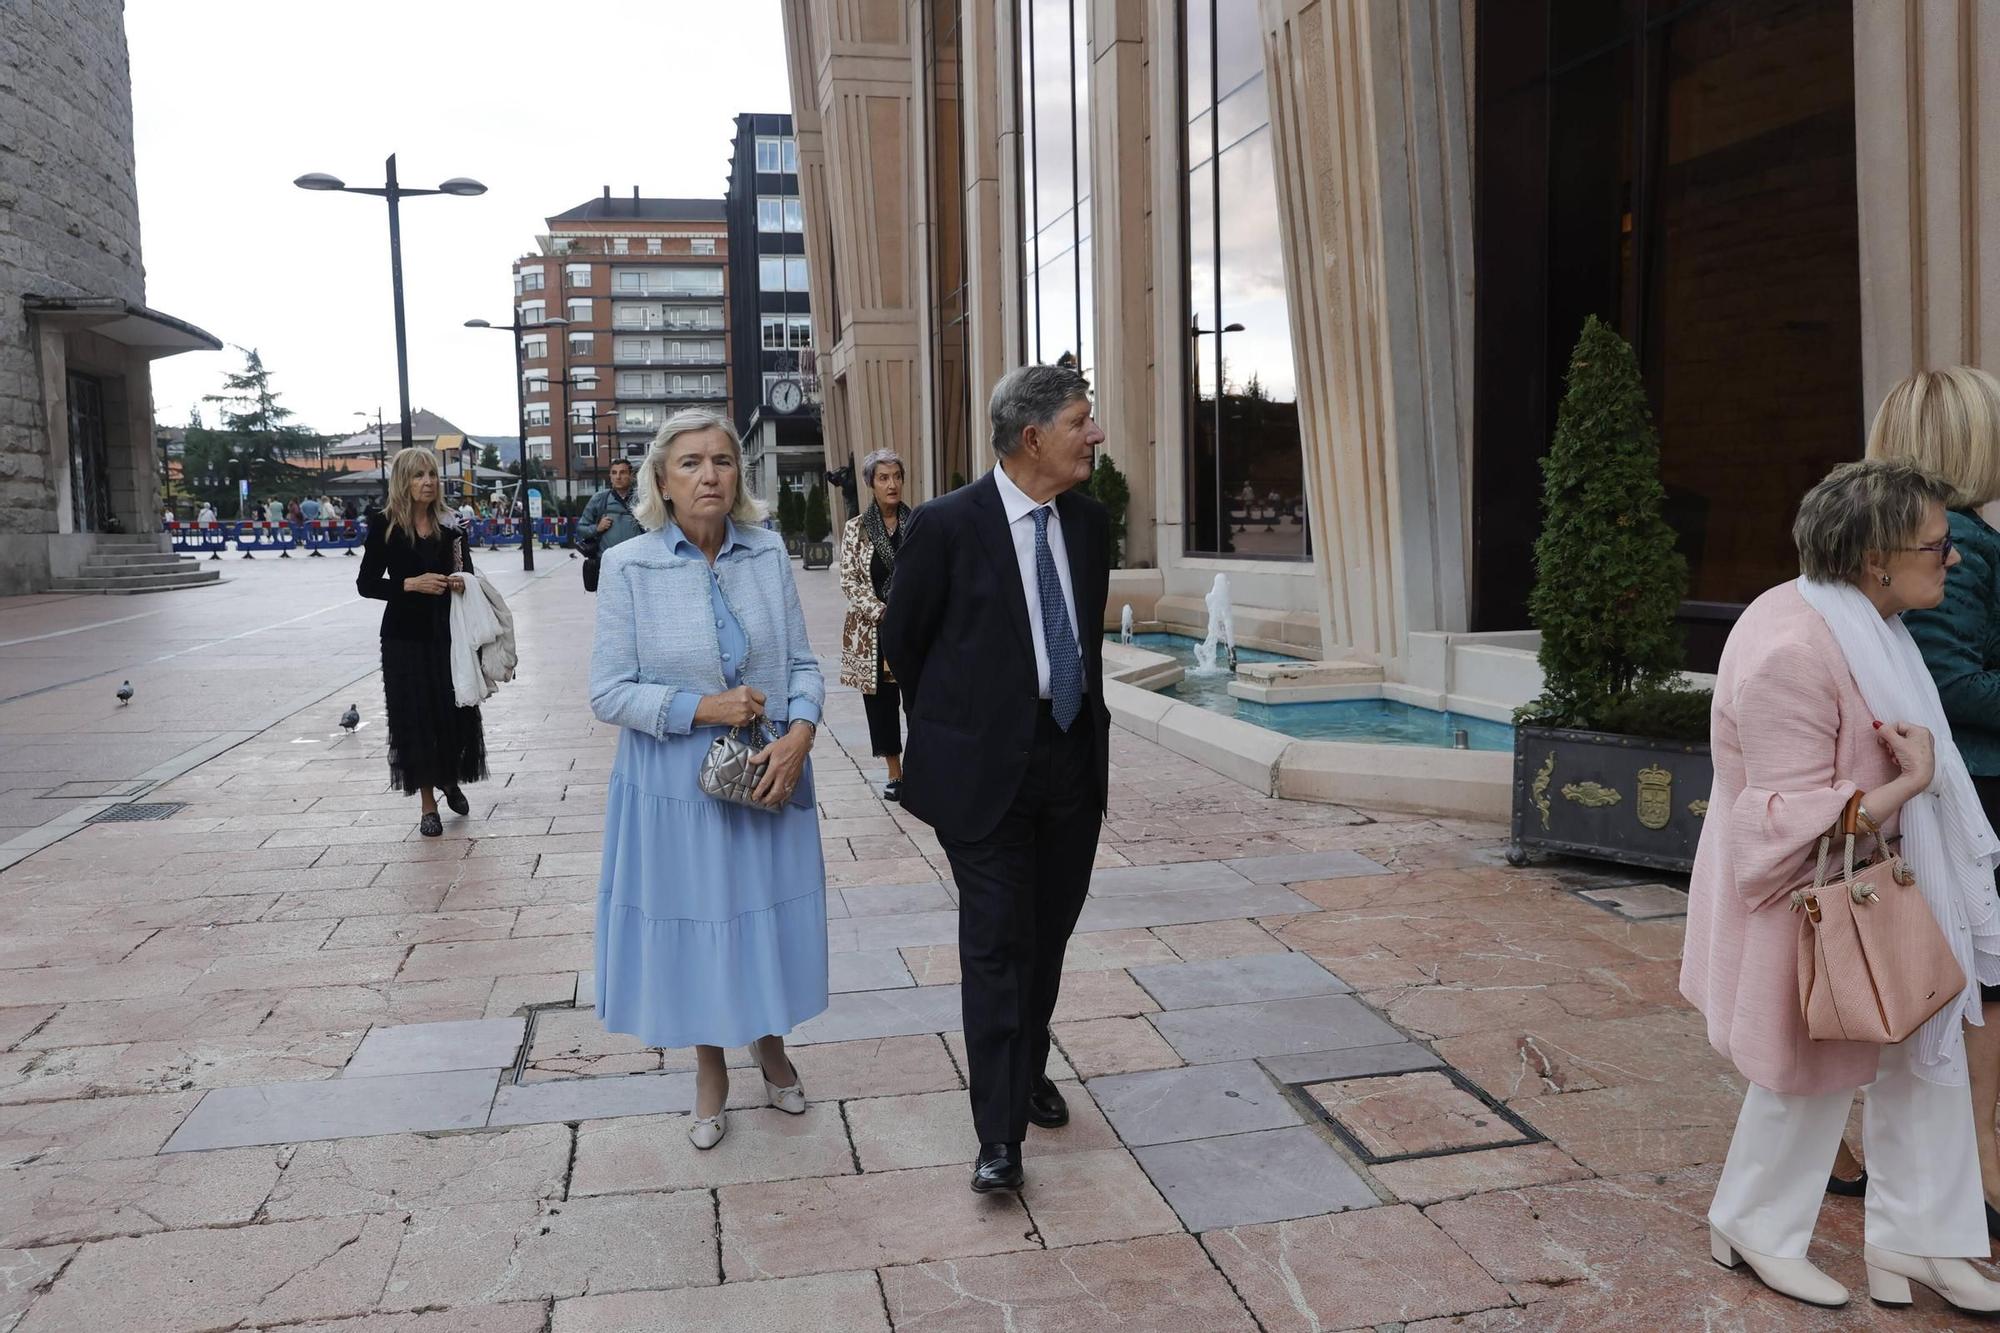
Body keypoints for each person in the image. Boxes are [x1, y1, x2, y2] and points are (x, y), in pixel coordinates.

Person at [1683, 458, 2000, 1311]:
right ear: (1875, 560)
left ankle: (1918, 1239)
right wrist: (1910, 784)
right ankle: (1750, 1223)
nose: (1957, 557)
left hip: (1868, 890)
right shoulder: (1795, 646)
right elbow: (1777, 821)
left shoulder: (1865, 623)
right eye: (1938, 544)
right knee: (1804, 1077)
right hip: (1807, 901)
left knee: (1918, 1058)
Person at [882, 364, 1111, 1194]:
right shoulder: (945, 526)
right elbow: (902, 644)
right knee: (995, 947)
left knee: (1046, 938)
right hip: (985, 776)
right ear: (1032, 436)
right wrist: (957, 727)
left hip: (1071, 764)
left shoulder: (1089, 524)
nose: (1095, 434)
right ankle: (999, 1137)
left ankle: (1026, 1066)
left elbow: (1079, 640)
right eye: (1083, 420)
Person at [589, 407, 827, 1151]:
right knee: (699, 923)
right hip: (674, 789)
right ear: (661, 478)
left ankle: (770, 1042)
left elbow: (803, 668)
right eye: (690, 462)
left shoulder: (768, 553)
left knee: (761, 915)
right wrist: (703, 707)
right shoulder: (629, 564)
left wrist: (800, 734)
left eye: (722, 460)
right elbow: (608, 691)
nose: (710, 475)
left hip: (768, 774)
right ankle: (710, 1066)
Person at [1865, 366, 2000, 1225]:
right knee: (1985, 975)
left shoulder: (1899, 541)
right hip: (1974, 785)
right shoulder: (1964, 544)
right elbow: (1949, 682)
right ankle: (1982, 1158)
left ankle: (1869, 1147)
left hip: (1941, 781)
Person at [357, 448, 486, 838]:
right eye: (418, 476)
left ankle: (450, 780)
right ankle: (428, 803)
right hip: (404, 637)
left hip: (448, 634)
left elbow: (469, 572)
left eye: (431, 474)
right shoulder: (385, 526)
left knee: (452, 712)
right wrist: (409, 584)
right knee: (414, 717)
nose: (427, 482)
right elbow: (365, 584)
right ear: (404, 481)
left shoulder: (452, 525)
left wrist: (461, 581)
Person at [838, 449, 911, 800]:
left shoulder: (920, 522)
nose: (892, 484)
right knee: (881, 705)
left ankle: (923, 766)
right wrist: (881, 611)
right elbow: (849, 581)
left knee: (920, 700)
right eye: (883, 478)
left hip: (914, 630)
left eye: (896, 476)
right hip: (873, 631)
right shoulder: (857, 528)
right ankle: (895, 773)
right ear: (870, 484)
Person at [577, 457, 644, 586]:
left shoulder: (642, 499)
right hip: (608, 564)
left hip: (637, 564)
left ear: (631, 475)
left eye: (623, 472)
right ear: (610, 476)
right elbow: (581, 528)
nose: (618, 477)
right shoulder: (600, 499)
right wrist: (597, 528)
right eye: (614, 473)